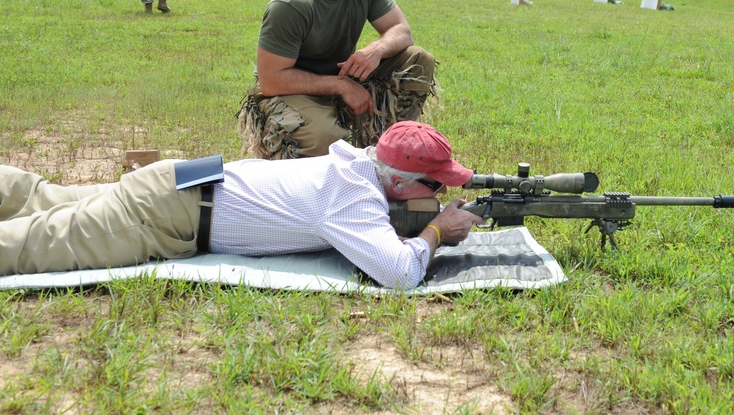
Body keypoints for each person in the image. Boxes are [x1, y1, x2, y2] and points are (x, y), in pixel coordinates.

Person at [0, 121, 483, 290]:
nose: (438, 194)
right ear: (398, 179)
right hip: (167, 218)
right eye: (432, 185)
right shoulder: (353, 198)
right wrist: (437, 231)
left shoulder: (353, 162)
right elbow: (399, 274)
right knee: (28, 246)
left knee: (40, 197)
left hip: (177, 181)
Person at [238, 0, 436, 160]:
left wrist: (376, 49)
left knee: (419, 60)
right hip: (292, 93)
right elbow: (270, 81)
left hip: (340, 77)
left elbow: (402, 31)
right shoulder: (291, 4)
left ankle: (386, 151)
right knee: (328, 142)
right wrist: (340, 85)